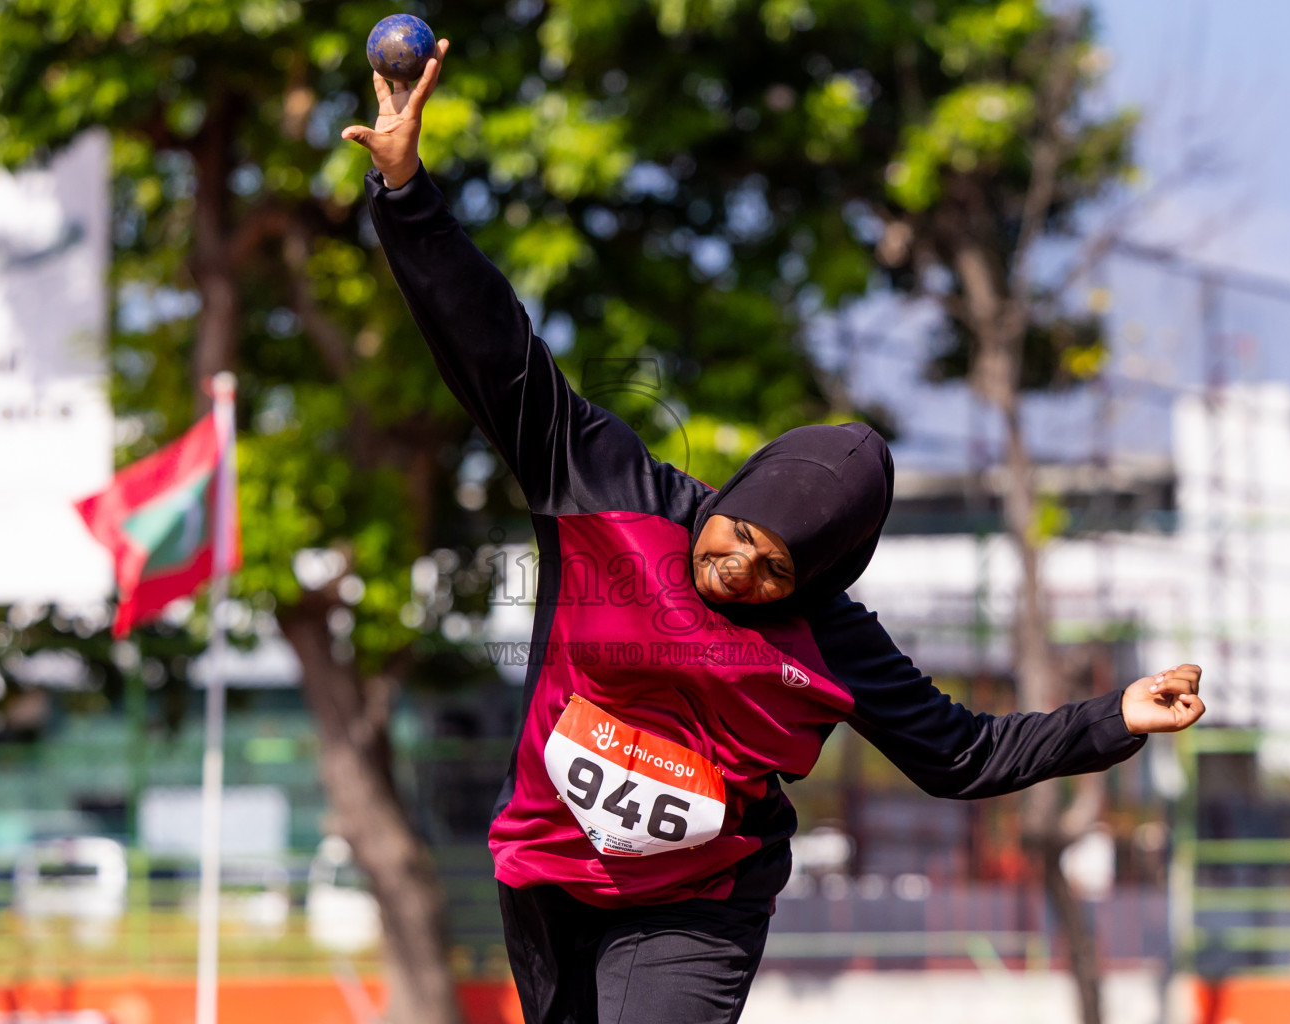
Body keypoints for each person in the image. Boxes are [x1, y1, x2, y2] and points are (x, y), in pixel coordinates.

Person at [343, 41, 1206, 1024]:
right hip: (545, 873)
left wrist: (1117, 717)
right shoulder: (609, 493)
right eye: (740, 531)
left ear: (815, 577)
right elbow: (494, 349)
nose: (738, 566)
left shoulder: (833, 642)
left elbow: (959, 753)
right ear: (735, 489)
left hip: (696, 904)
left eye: (775, 568)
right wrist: (406, 190)